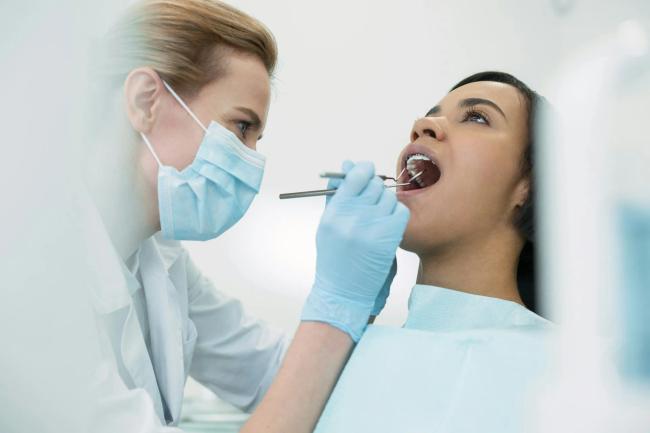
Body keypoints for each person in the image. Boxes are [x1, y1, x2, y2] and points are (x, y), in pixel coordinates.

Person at [86, 1, 408, 432]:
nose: (251, 160)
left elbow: (268, 371)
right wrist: (334, 304)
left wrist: (356, 311)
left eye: (256, 137)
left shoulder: (158, 256)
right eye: (241, 128)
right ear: (146, 101)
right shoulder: (31, 270)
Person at [311, 72, 554, 433]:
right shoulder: (357, 351)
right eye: (430, 114)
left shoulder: (560, 372)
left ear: (530, 186)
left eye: (477, 117)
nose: (423, 125)